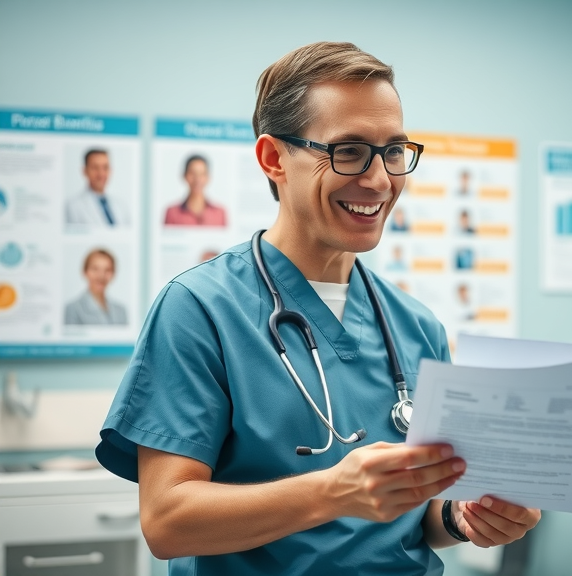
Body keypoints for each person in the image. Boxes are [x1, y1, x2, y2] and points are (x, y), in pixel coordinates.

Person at [95, 42, 539, 576]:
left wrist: (463, 517)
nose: (379, 180)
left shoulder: (417, 327)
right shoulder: (199, 310)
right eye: (348, 150)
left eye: (394, 151)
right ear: (273, 158)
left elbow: (413, 516)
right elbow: (167, 521)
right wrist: (333, 491)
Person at [66, 149, 128, 227]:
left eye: (105, 167)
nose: (101, 174)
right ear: (85, 171)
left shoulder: (121, 206)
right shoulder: (73, 206)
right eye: (95, 168)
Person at [64, 248, 127, 325]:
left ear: (113, 274)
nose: (101, 276)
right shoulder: (73, 309)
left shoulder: (120, 310)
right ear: (85, 272)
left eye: (107, 270)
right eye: (95, 269)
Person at [164, 155, 228, 226]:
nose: (197, 179)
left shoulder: (219, 213)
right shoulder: (172, 213)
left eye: (202, 174)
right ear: (185, 176)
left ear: (208, 177)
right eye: (192, 173)